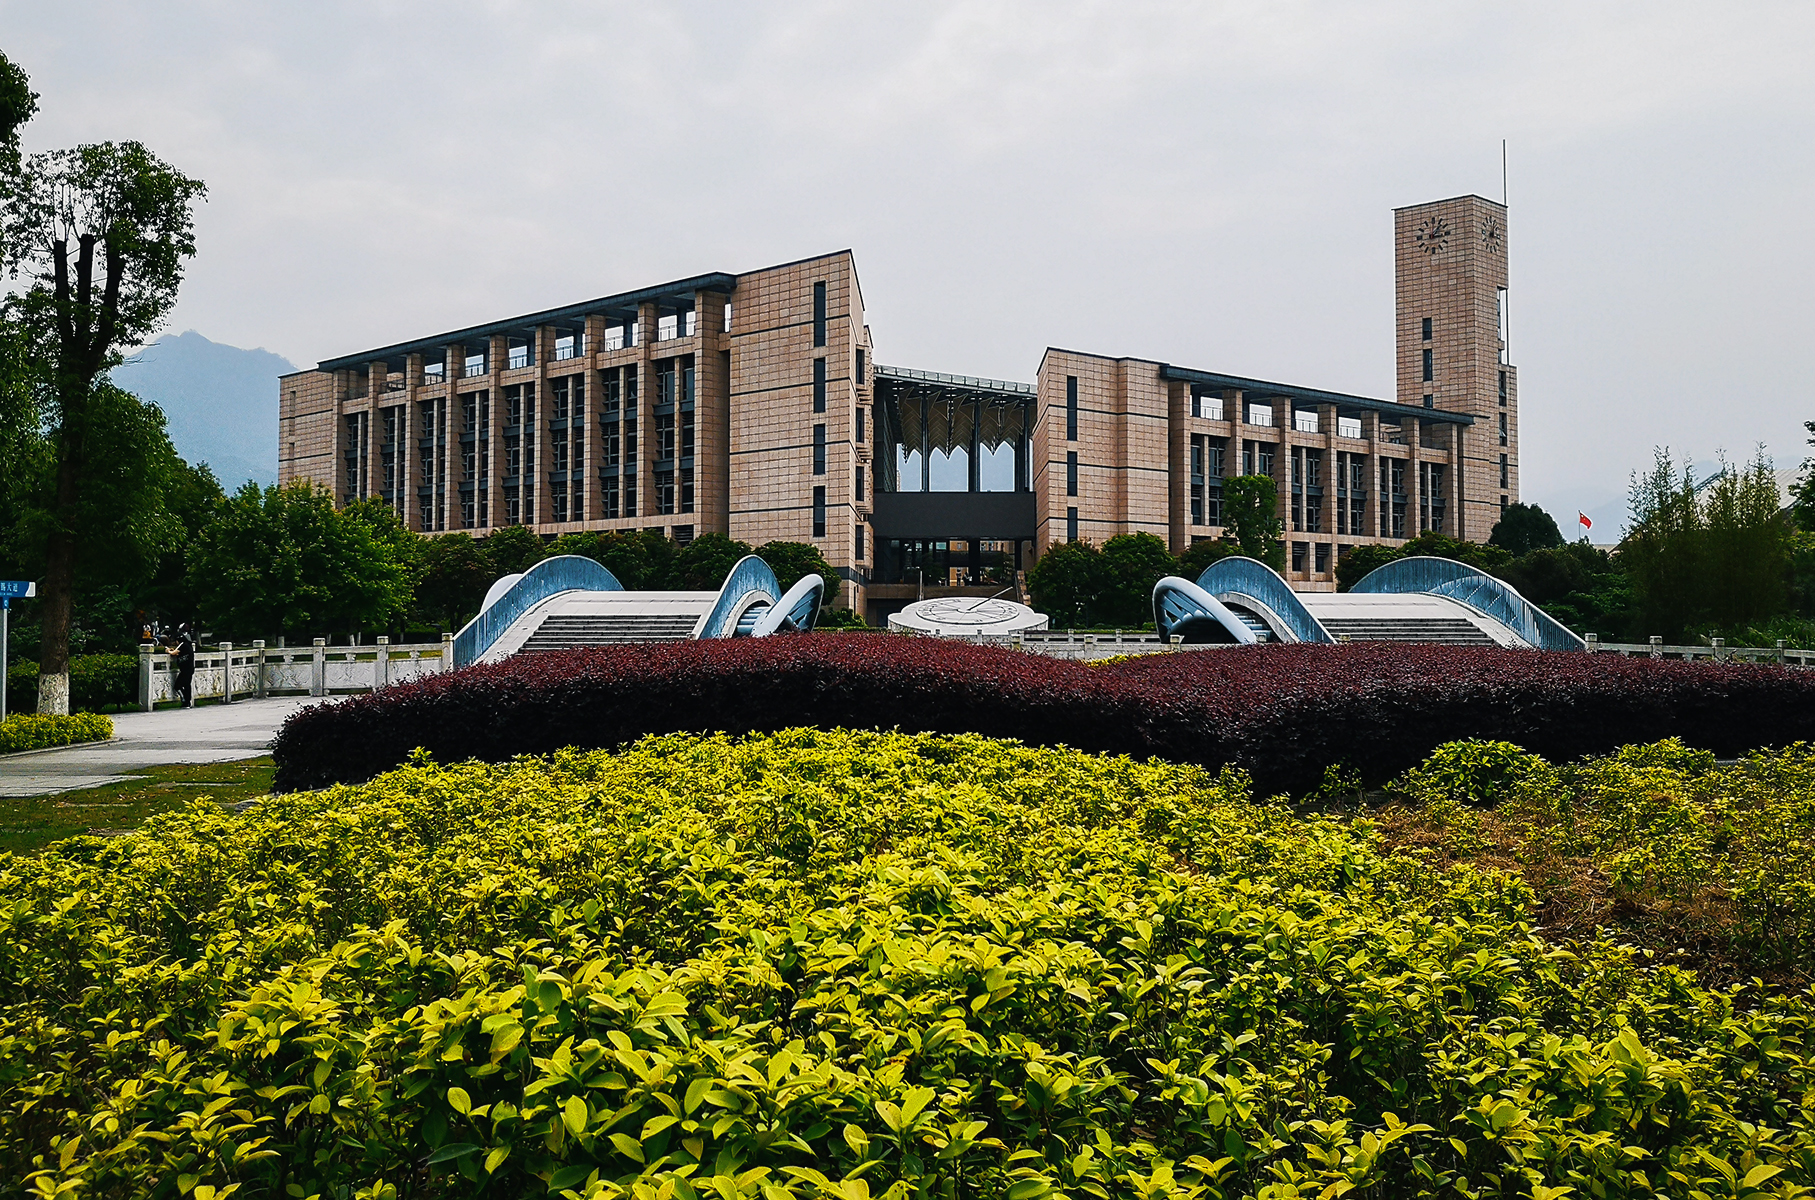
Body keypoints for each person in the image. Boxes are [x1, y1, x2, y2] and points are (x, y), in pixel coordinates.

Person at [164, 622, 196, 708]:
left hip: (185, 670)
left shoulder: (182, 645)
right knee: (187, 685)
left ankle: (184, 700)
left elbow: (174, 653)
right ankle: (188, 702)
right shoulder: (188, 645)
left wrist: (167, 650)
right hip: (190, 668)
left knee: (178, 686)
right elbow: (178, 652)